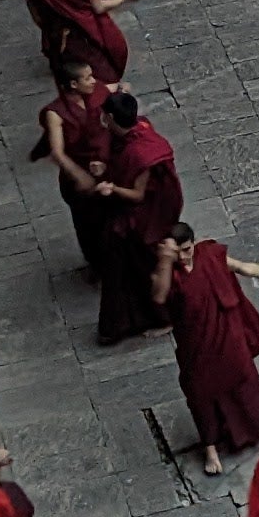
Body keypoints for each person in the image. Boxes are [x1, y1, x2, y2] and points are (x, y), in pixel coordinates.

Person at [154, 227, 259, 466]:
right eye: (178, 254)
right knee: (200, 392)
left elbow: (242, 267)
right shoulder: (168, 272)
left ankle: (256, 426)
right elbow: (159, 295)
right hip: (195, 342)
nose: (184, 257)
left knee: (244, 378)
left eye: (187, 250)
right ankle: (210, 446)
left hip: (227, 335)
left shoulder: (210, 255)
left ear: (194, 243)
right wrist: (166, 260)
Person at [87, 92, 182, 346]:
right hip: (137, 210)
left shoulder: (140, 154)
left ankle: (165, 317)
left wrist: (112, 188)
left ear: (109, 117)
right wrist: (105, 167)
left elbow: (138, 194)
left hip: (144, 218)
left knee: (142, 267)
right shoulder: (141, 126)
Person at [34, 59, 117, 279]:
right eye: (87, 78)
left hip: (107, 170)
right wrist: (80, 175)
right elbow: (58, 152)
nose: (93, 81)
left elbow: (114, 88)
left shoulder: (96, 92)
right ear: (72, 84)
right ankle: (97, 263)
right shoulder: (56, 113)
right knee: (88, 225)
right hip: (79, 179)